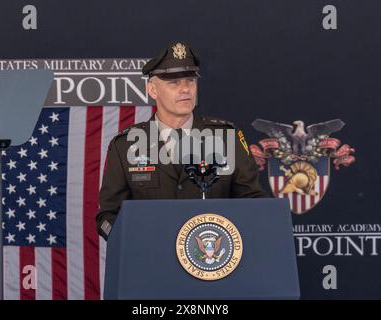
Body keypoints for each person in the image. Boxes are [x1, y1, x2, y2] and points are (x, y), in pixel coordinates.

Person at [96, 42, 267, 240]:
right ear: (152, 90)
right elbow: (107, 216)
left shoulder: (226, 137)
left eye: (190, 81)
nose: (185, 89)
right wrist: (133, 243)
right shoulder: (125, 145)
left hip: (213, 260)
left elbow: (254, 203)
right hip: (151, 262)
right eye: (174, 83)